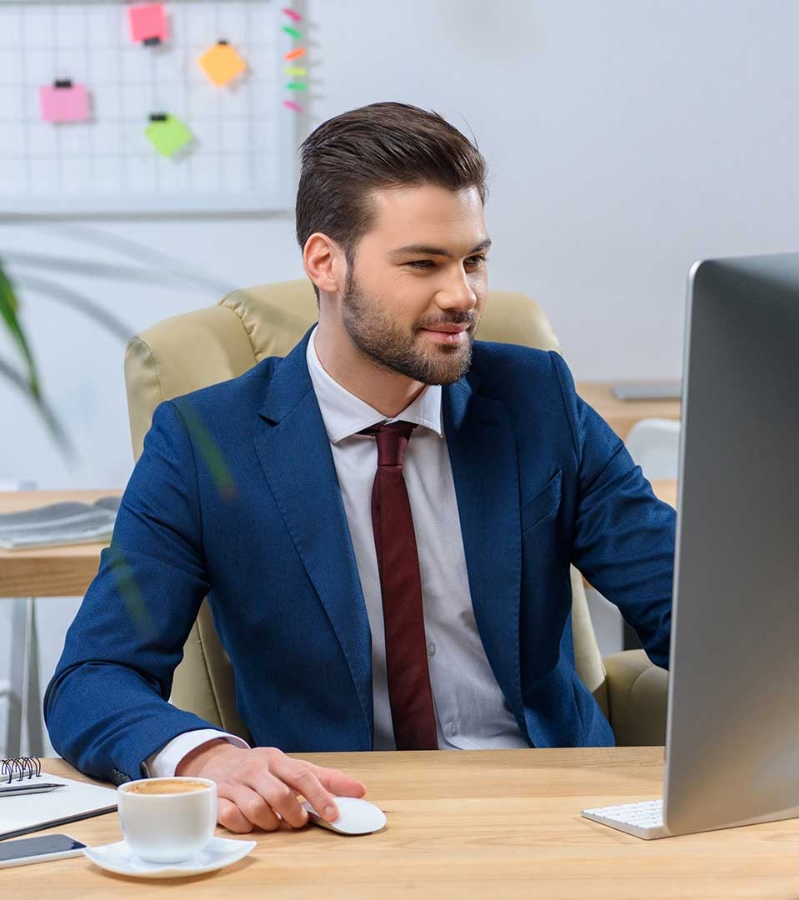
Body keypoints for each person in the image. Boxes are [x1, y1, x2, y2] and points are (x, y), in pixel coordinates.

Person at [45, 102, 676, 835]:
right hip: (333, 819)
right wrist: (207, 759)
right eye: (422, 264)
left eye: (474, 259)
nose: (463, 295)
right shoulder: (201, 443)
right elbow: (93, 678)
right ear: (325, 262)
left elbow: (685, 603)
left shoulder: (538, 401)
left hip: (555, 810)